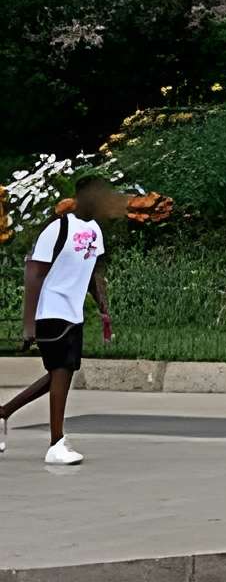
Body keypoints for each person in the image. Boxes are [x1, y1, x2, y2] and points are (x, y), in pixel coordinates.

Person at [3, 172, 112, 467]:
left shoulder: (95, 231)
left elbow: (94, 272)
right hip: (50, 311)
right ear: (83, 195)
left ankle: (2, 413)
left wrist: (103, 307)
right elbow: (34, 273)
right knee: (61, 371)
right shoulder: (58, 228)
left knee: (59, 374)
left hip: (73, 313)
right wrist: (28, 326)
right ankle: (56, 443)